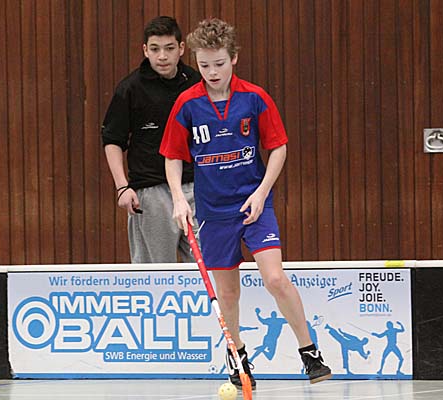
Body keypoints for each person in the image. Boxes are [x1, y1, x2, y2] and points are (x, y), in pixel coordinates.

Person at [160, 17, 332, 388]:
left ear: (234, 58)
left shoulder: (254, 98)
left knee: (275, 278)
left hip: (254, 204)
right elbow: (172, 155)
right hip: (213, 211)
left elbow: (278, 147)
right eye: (204, 65)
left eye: (219, 63)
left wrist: (262, 192)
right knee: (228, 292)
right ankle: (237, 355)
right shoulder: (187, 103)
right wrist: (178, 198)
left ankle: (309, 352)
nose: (212, 72)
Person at [101, 16, 201, 263]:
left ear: (181, 48)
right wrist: (122, 187)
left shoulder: (196, 84)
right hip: (150, 190)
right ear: (145, 50)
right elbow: (113, 140)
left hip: (195, 188)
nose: (162, 56)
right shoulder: (130, 88)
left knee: (207, 267)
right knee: (154, 273)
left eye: (169, 48)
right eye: (155, 49)